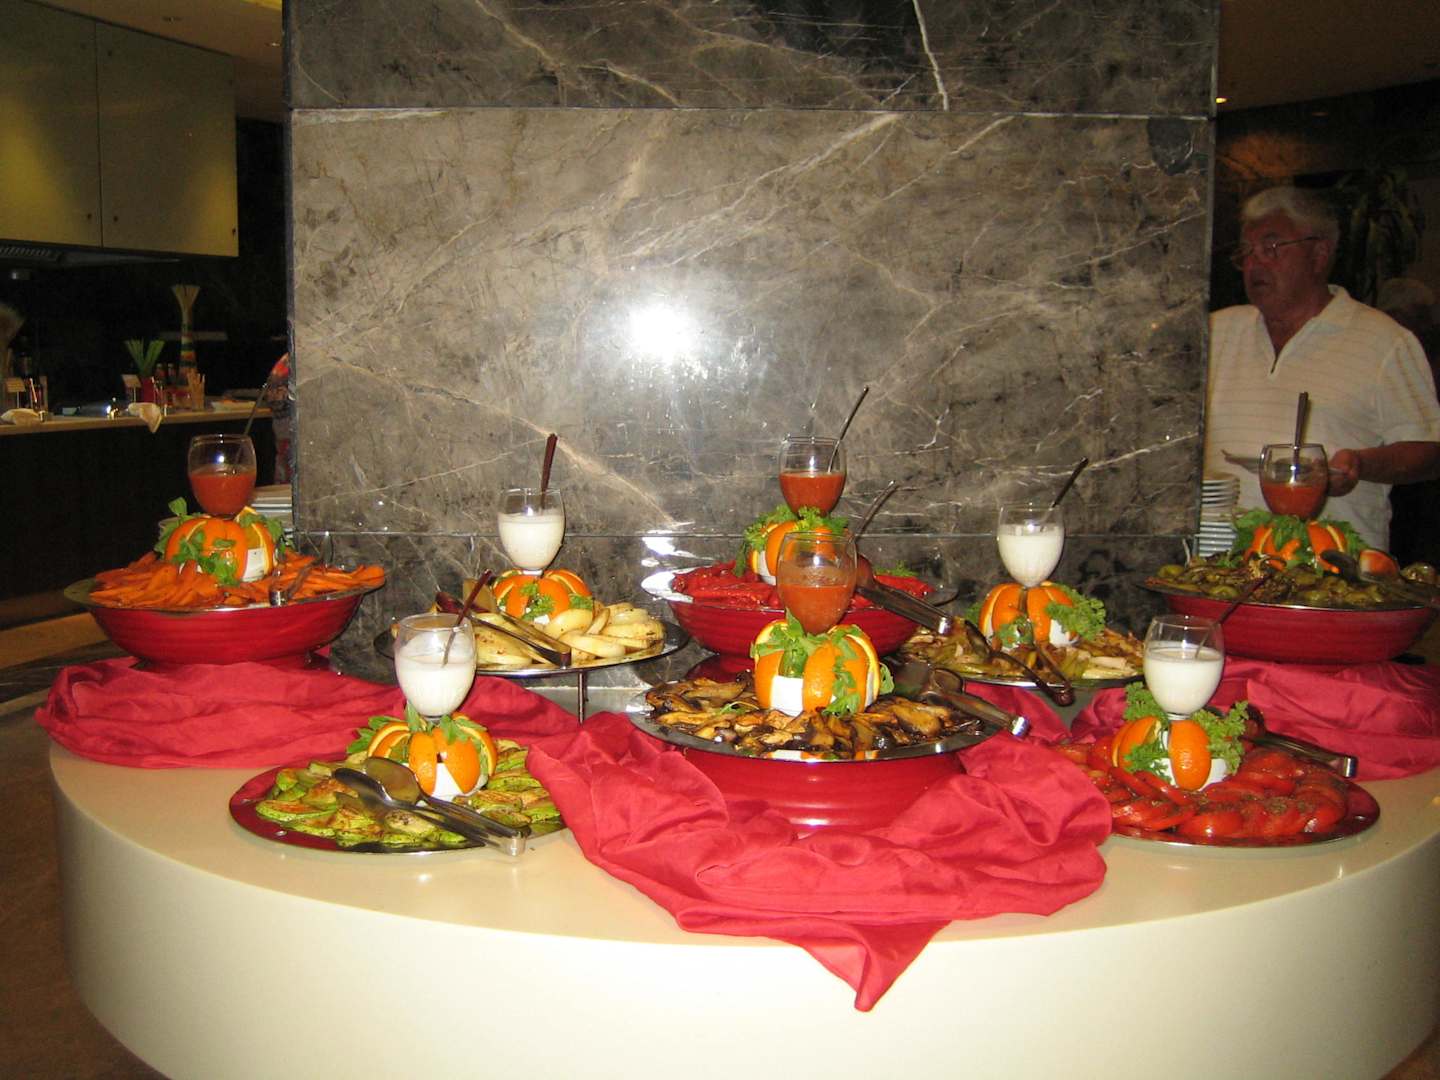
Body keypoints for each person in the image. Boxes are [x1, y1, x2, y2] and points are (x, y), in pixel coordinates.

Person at [1203, 186, 1440, 550]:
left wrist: (1360, 464)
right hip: (1218, 563)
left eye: (1271, 247)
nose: (1254, 264)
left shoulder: (1383, 341)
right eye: (1246, 252)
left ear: (1319, 254)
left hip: (1331, 566)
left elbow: (1429, 451)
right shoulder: (1214, 332)